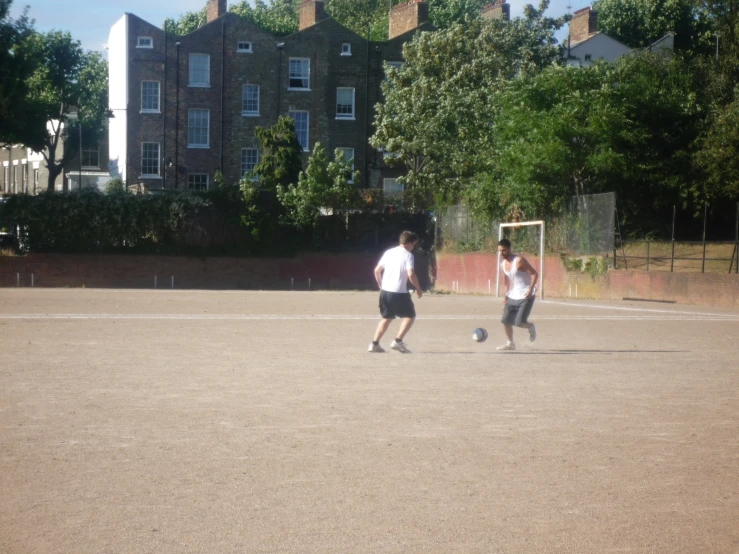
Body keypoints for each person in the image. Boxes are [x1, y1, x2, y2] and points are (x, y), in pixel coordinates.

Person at [368, 231, 423, 354]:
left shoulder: (389, 252)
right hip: (399, 292)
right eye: (413, 244)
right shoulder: (408, 255)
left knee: (387, 318)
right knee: (410, 316)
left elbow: (377, 271)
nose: (413, 247)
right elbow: (411, 274)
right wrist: (418, 288)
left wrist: (381, 285)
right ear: (408, 243)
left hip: (385, 292)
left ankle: (374, 344)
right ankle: (398, 341)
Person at [497, 238, 538, 351]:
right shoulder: (503, 264)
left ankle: (530, 326)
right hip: (514, 294)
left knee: (519, 322)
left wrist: (530, 290)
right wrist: (505, 298)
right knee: (505, 320)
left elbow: (534, 274)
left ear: (510, 249)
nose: (502, 253)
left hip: (526, 294)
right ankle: (510, 343)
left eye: (504, 250)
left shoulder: (519, 261)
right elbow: (506, 284)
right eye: (500, 251)